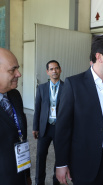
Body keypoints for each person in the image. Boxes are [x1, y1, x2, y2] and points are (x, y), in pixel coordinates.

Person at [55, 35, 103, 185]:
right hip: (86, 161)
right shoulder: (74, 84)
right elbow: (63, 128)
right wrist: (61, 163)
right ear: (99, 57)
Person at [0, 48, 32, 185]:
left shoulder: (15, 95)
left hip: (20, 175)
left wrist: (27, 174)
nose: (19, 74)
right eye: (12, 70)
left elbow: (22, 137)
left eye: (17, 68)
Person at [33, 60, 63, 185]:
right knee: (40, 157)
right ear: (47, 72)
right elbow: (37, 108)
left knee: (60, 157)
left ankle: (56, 182)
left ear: (60, 70)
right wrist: (35, 127)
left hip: (60, 128)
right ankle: (39, 182)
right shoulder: (42, 88)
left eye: (56, 68)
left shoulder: (67, 87)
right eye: (51, 69)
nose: (54, 71)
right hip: (44, 127)